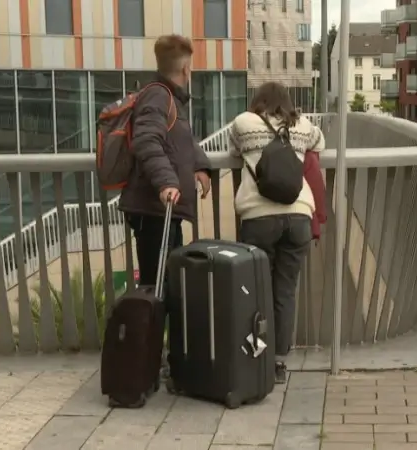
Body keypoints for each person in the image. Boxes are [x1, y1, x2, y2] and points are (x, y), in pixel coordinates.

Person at [229, 82, 325, 384]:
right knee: (285, 291)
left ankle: (257, 356)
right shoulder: (302, 124)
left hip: (258, 219)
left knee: (255, 291)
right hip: (297, 216)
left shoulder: (244, 122)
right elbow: (319, 144)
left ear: (257, 100)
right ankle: (280, 362)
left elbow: (233, 150)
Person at [118, 34, 212, 288]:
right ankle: (151, 330)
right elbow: (147, 140)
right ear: (185, 68)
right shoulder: (158, 96)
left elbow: (181, 140)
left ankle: (162, 328)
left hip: (165, 210)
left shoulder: (169, 98)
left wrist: (201, 165)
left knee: (169, 287)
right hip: (155, 210)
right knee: (156, 291)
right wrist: (167, 183)